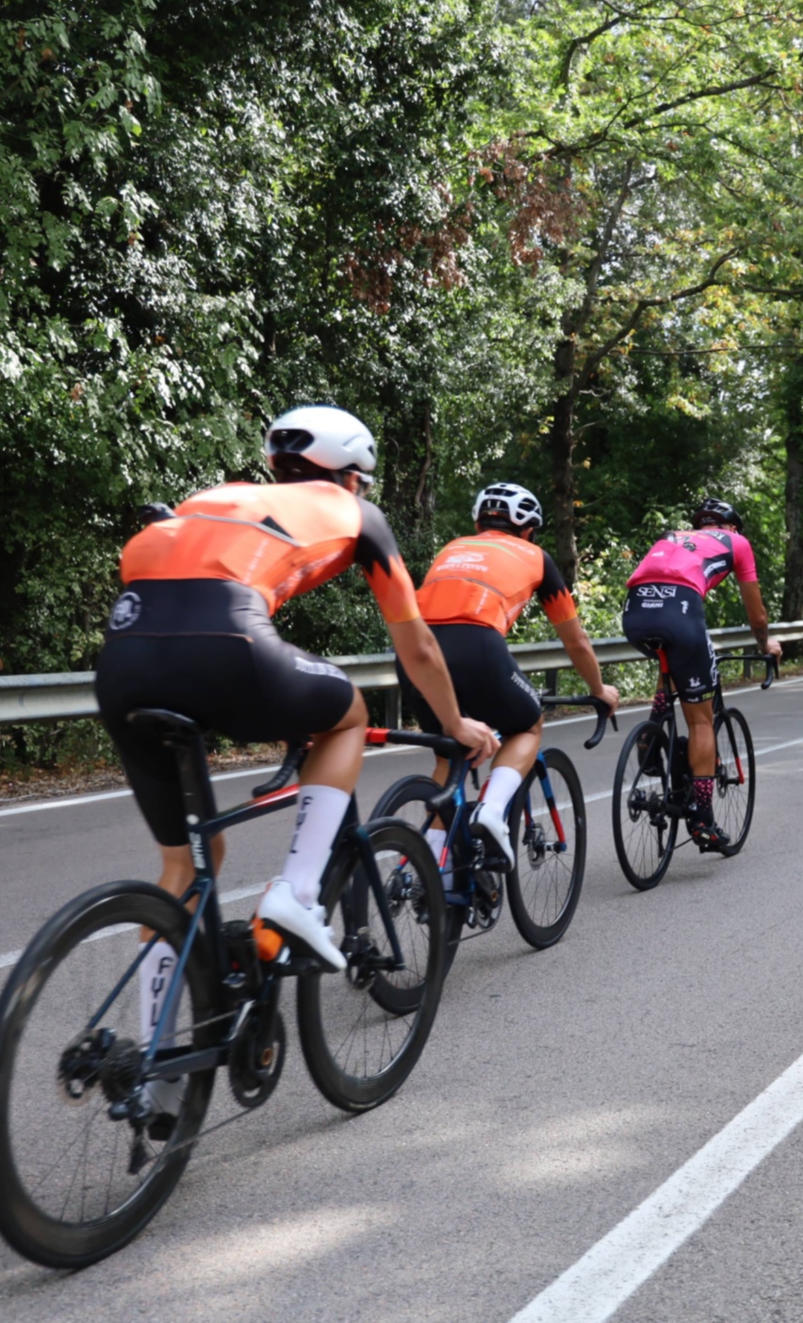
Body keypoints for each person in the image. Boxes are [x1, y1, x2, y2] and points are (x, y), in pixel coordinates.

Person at [95, 406, 499, 1120]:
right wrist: (454, 722)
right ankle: (297, 894)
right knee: (347, 715)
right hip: (227, 639)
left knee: (189, 861)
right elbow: (419, 650)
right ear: (350, 474)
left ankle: (158, 1071)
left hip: (124, 656)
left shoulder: (217, 499)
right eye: (364, 482)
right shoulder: (353, 513)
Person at [398, 482, 620, 867]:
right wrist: (598, 689)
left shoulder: (453, 548)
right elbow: (576, 641)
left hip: (414, 651)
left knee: (450, 757)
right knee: (527, 725)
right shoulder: (536, 555)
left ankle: (434, 879)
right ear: (529, 529)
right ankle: (492, 809)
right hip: (477, 644)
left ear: (478, 522)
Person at [621, 497, 783, 849]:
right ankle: (703, 819)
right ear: (733, 527)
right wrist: (764, 645)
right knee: (700, 720)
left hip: (635, 611)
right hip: (679, 612)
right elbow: (757, 616)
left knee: (670, 659)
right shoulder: (737, 542)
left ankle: (652, 733)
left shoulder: (672, 537)